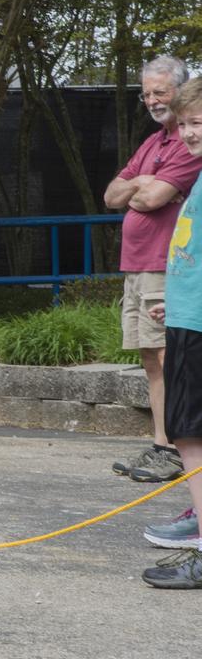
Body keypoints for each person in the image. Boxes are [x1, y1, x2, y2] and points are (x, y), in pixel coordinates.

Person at [104, 55, 202, 483]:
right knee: (151, 355)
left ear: (180, 91)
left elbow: (149, 199)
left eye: (160, 91)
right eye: (145, 93)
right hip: (138, 264)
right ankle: (162, 439)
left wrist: (141, 186)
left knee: (169, 354)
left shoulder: (187, 140)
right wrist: (141, 184)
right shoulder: (153, 142)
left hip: (168, 266)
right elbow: (112, 195)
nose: (151, 100)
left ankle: (176, 450)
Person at [140, 77, 202, 588]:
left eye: (197, 123)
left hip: (199, 326)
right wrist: (174, 301)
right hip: (187, 316)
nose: (188, 133)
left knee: (189, 434)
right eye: (183, 125)